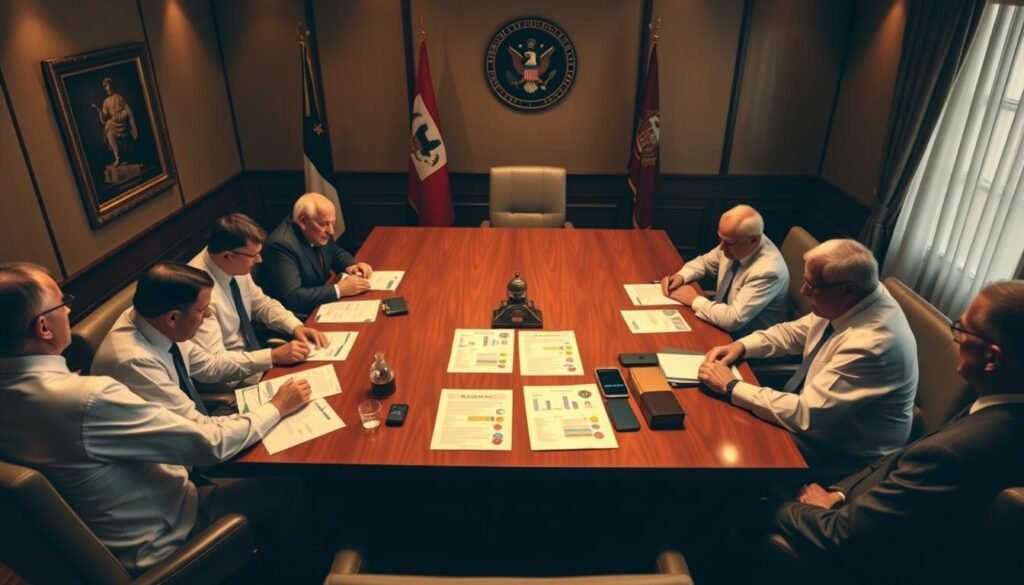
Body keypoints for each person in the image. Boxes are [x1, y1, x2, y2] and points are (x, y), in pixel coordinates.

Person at [0, 262, 312, 571]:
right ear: (43, 327)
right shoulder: (88, 398)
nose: (69, 312)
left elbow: (205, 366)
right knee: (298, 482)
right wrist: (278, 406)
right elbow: (208, 444)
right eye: (62, 303)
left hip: (120, 530)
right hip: (173, 533)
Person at [765, 281, 1024, 584]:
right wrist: (838, 493)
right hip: (862, 503)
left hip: (873, 559)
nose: (956, 339)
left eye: (962, 330)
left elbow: (842, 535)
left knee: (740, 495)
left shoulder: (957, 451)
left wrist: (782, 508)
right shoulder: (998, 406)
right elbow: (899, 462)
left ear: (992, 359)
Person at [699, 239, 917, 478]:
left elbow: (805, 414)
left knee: (723, 450)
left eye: (812, 286)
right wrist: (741, 346)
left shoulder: (873, 345)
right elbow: (796, 332)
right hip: (815, 419)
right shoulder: (857, 299)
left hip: (842, 453)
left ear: (848, 290)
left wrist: (731, 386)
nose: (803, 291)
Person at [92, 261, 310, 422]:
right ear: (173, 318)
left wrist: (271, 356)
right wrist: (277, 407)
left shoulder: (152, 318)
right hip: (179, 467)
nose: (207, 317)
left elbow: (208, 366)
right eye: (202, 310)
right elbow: (198, 428)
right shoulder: (135, 362)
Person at [189, 213, 327, 381]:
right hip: (234, 382)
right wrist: (271, 357)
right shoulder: (196, 291)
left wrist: (296, 327)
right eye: (253, 255)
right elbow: (214, 364)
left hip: (259, 363)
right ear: (227, 256)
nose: (260, 260)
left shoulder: (234, 264)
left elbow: (262, 305)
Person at [660, 204, 788, 338]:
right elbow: (704, 263)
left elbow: (732, 320)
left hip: (746, 342)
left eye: (728, 243)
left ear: (753, 240)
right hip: (718, 322)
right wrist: (681, 276)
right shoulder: (738, 241)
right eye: (720, 239)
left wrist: (694, 300)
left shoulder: (768, 272)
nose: (721, 248)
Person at [256, 192, 373, 316]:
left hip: (319, 305)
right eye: (323, 224)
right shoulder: (281, 245)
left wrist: (351, 266)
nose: (331, 231)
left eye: (332, 223)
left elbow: (334, 251)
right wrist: (339, 289)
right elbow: (293, 298)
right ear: (303, 222)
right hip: (298, 317)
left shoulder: (316, 231)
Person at [92, 77, 137, 167]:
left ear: (111, 85)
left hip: (121, 123)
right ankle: (117, 159)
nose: (107, 88)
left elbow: (127, 109)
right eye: (105, 87)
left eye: (107, 85)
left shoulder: (119, 98)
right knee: (109, 134)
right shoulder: (106, 101)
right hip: (113, 123)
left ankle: (127, 158)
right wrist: (98, 110)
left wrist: (122, 115)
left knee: (126, 140)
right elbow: (105, 117)